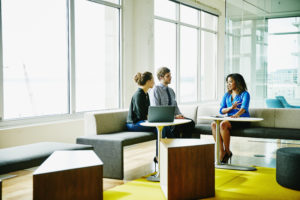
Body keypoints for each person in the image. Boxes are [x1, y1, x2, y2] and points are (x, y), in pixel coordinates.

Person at [211, 73, 250, 164]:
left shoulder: (245, 94)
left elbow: (244, 108)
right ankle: (222, 152)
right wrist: (230, 108)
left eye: (230, 82)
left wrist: (236, 114)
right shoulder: (227, 95)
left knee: (223, 124)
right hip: (230, 119)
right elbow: (222, 110)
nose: (228, 84)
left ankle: (227, 151)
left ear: (237, 82)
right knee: (213, 124)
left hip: (242, 119)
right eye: (227, 82)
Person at [149, 67, 195, 138]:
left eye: (170, 75)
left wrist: (180, 115)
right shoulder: (156, 90)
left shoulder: (171, 91)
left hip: (174, 118)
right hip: (164, 119)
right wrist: (174, 117)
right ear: (161, 77)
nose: (170, 77)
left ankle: (184, 145)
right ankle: (175, 145)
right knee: (176, 126)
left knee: (190, 122)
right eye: (168, 76)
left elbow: (175, 106)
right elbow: (157, 110)